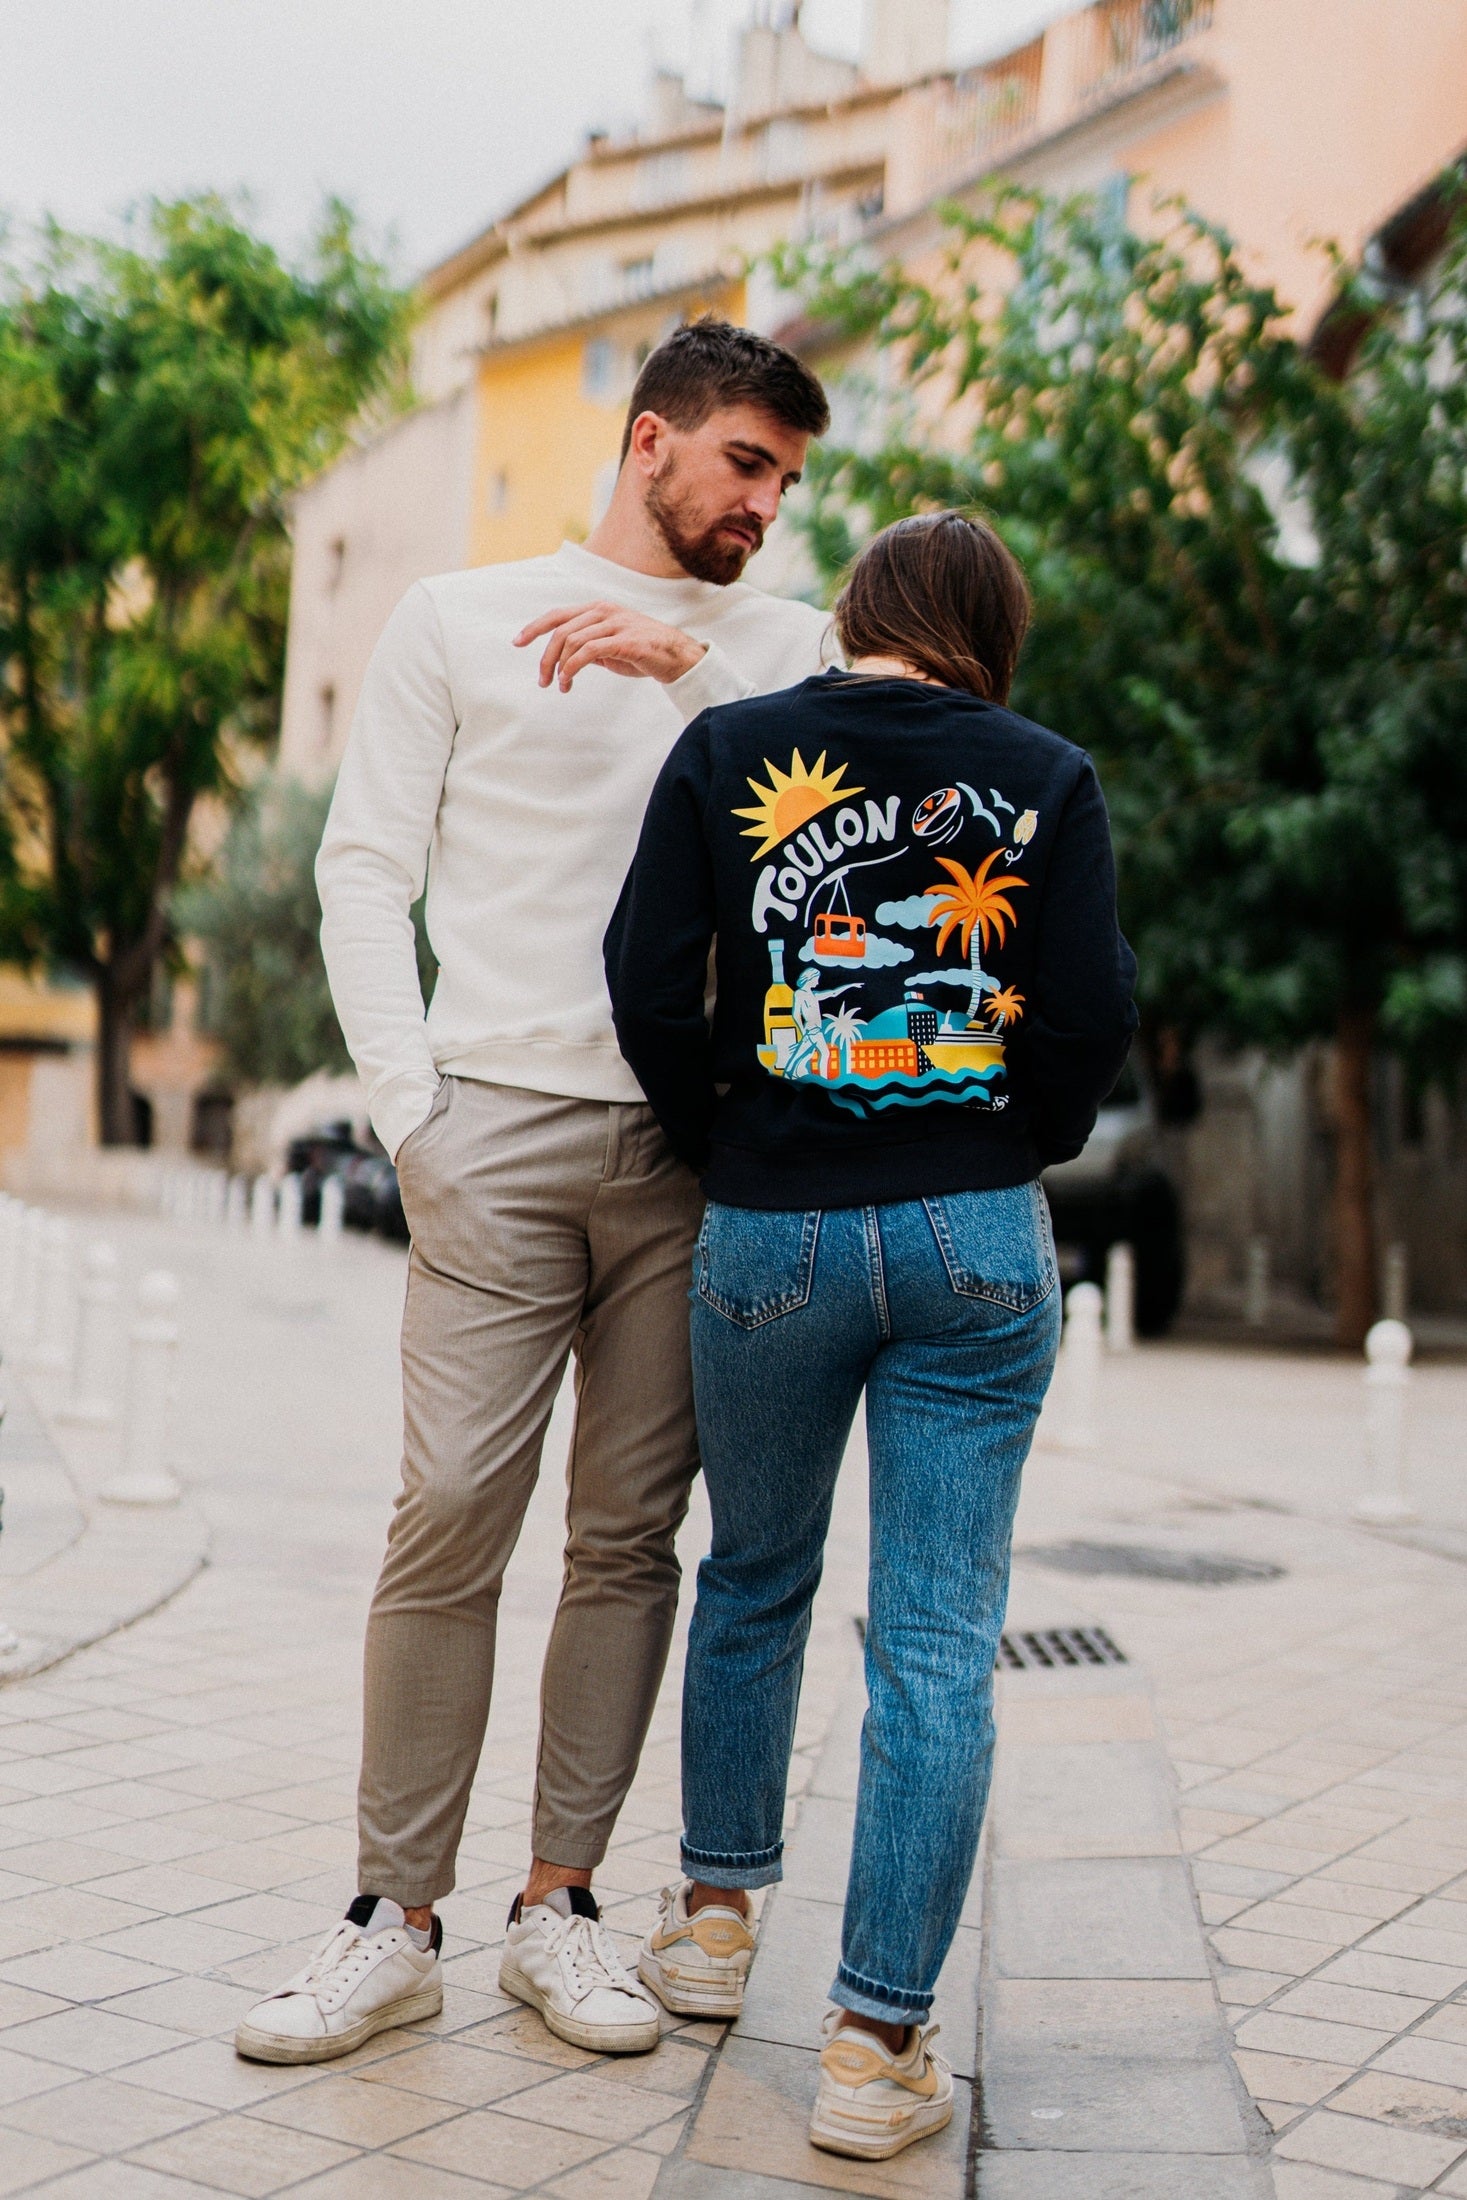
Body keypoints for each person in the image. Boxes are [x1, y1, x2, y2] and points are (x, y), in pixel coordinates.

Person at [234, 321, 832, 2067]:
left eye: (788, 479)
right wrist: (412, 1110)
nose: (767, 506)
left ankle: (557, 1907)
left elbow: (848, 834)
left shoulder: (788, 651)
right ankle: (388, 1919)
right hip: (491, 1128)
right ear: (650, 442)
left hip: (697, 1155)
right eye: (744, 464)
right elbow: (365, 870)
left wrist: (687, 673)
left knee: (628, 1541)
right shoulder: (455, 618)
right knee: (447, 1523)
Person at [605, 511, 1137, 2159]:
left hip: (770, 1222)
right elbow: (1092, 1016)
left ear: (853, 612)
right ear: (989, 631)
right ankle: (871, 2046)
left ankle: (707, 1930)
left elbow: (645, 974)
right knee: (933, 1640)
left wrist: (733, 1141)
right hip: (974, 1231)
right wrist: (1006, 1145)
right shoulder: (1046, 775)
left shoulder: (735, 746)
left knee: (753, 1570)